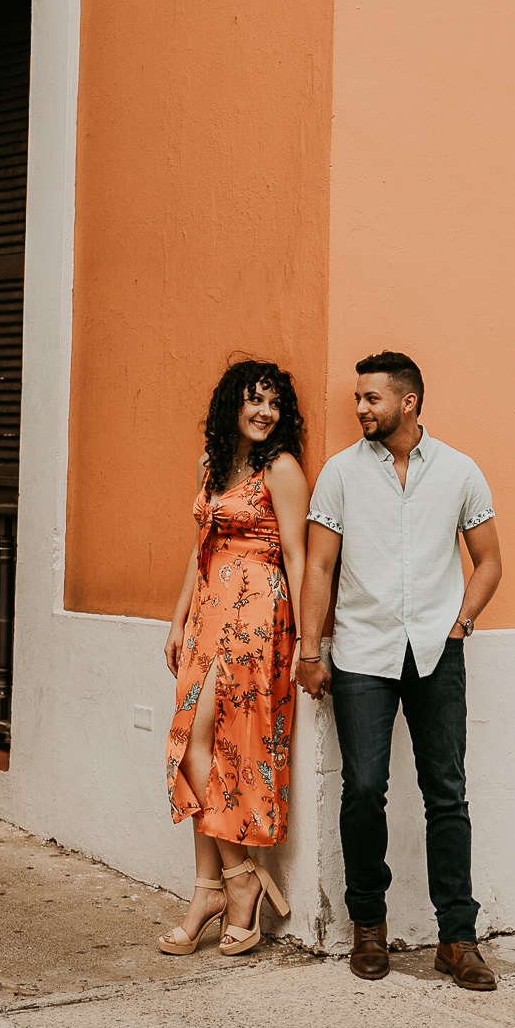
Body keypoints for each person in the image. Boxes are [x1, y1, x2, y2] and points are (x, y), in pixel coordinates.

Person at [297, 351, 503, 990]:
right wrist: (311, 651)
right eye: (358, 398)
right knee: (363, 791)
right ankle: (368, 927)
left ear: (407, 402)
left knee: (447, 793)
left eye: (371, 398)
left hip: (438, 652)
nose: (359, 407)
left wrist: (460, 622)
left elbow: (490, 560)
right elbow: (320, 568)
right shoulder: (339, 474)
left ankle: (457, 938)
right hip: (362, 652)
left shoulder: (461, 472)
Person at [160, 361, 308, 957]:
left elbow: (297, 557)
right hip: (207, 613)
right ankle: (216, 886)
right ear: (232, 406)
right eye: (254, 401)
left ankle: (235, 885)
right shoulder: (212, 465)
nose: (264, 412)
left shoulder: (283, 469)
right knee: (203, 747)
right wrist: (177, 617)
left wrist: (305, 638)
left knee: (203, 742)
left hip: (256, 618)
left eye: (274, 404)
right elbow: (200, 549)